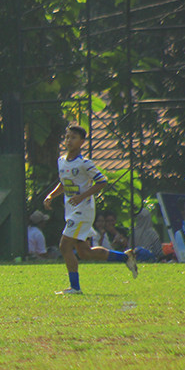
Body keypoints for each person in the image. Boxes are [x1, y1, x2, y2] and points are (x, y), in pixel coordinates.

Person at [43, 124, 138, 294]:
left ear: (82, 142)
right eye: (67, 137)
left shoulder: (85, 163)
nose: (69, 140)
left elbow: (102, 181)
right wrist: (51, 195)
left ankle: (75, 288)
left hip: (83, 211)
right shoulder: (61, 161)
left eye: (73, 137)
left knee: (64, 246)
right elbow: (64, 183)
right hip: (71, 210)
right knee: (85, 252)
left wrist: (82, 196)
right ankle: (126, 257)